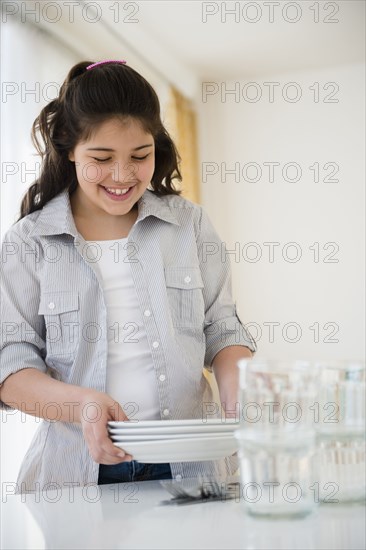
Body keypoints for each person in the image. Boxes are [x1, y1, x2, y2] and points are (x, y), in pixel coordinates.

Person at [0, 60, 256, 492]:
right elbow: (11, 370)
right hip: (75, 475)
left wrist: (241, 394)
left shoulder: (187, 224)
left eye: (140, 156)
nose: (122, 176)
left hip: (192, 465)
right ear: (69, 150)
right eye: (101, 159)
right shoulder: (30, 240)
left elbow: (223, 329)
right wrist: (83, 406)